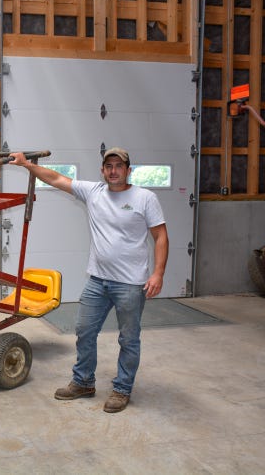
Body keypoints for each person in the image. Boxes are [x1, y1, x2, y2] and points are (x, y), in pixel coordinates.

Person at [10, 147, 168, 413]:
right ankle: (83, 382)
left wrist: (158, 273)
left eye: (119, 166)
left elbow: (160, 236)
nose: (114, 171)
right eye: (109, 166)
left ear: (129, 170)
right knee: (84, 331)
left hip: (130, 284)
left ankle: (122, 389)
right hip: (98, 280)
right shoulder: (93, 192)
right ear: (103, 170)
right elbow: (55, 178)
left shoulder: (145, 198)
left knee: (129, 339)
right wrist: (27, 165)